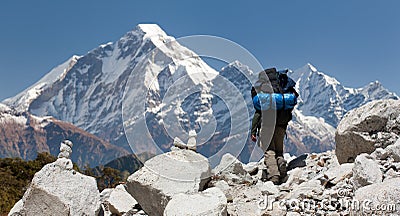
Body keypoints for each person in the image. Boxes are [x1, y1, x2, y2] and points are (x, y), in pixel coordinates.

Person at [251, 68, 298, 184]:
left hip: (267, 125)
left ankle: (274, 176)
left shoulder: (263, 92)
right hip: (281, 125)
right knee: (279, 150)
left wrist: (253, 131)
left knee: (269, 150)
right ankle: (282, 167)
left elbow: (258, 113)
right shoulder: (283, 90)